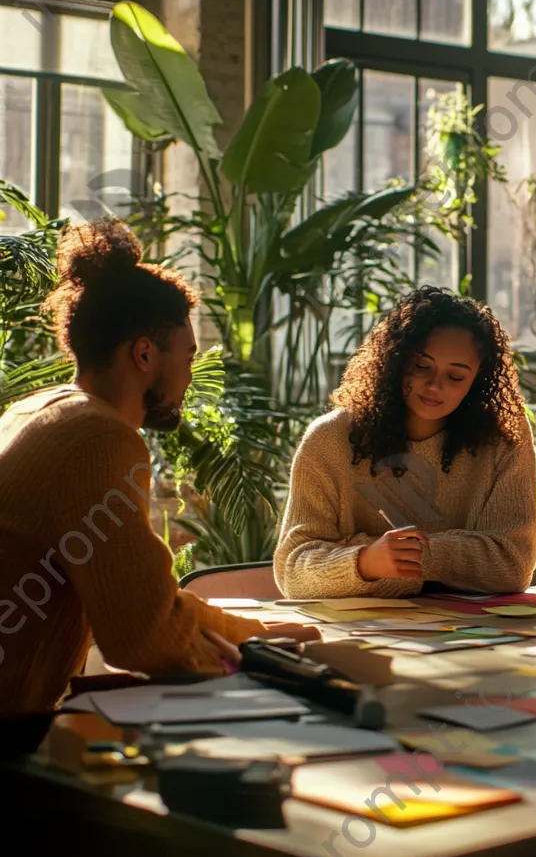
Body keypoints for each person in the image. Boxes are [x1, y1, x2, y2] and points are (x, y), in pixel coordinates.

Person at [0, 219, 318, 719]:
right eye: (188, 357)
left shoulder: (35, 409)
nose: (191, 377)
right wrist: (262, 637)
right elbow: (145, 632)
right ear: (145, 354)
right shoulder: (98, 438)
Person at [274, 286, 536, 597]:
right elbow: (293, 571)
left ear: (478, 380)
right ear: (396, 361)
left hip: (474, 634)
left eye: (455, 377)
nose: (434, 385)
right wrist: (364, 563)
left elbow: (513, 564)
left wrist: (414, 555)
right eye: (421, 366)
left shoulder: (504, 437)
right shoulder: (329, 439)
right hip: (358, 633)